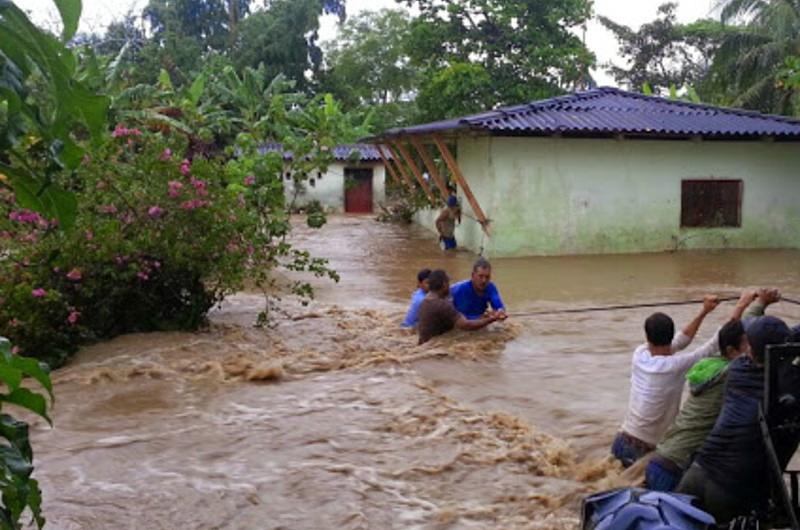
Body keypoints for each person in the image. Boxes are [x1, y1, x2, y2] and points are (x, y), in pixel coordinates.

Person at [675, 311, 794, 524]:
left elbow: (780, 345)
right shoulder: (788, 384)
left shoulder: (737, 369)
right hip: (732, 487)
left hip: (696, 473)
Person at [645, 290, 765, 491]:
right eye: (747, 344)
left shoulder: (709, 366)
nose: (750, 349)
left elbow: (721, 339)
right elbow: (725, 342)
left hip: (660, 459)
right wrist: (755, 304)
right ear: (731, 351)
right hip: (675, 467)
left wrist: (745, 306)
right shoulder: (729, 373)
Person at [611, 295, 721, 468]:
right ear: (670, 337)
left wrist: (705, 311)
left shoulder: (639, 355)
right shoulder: (675, 366)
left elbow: (680, 341)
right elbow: (713, 346)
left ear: (647, 337)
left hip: (622, 440)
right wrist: (742, 305)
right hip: (645, 450)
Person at [417, 269, 502, 344]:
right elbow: (466, 325)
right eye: (448, 283)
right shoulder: (443, 305)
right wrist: (491, 319)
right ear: (444, 284)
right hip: (434, 348)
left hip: (425, 343)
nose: (449, 287)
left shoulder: (425, 301)